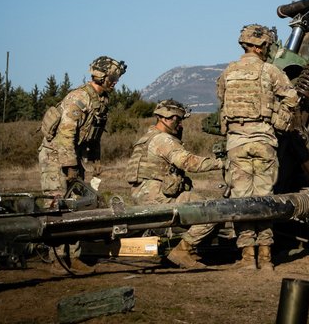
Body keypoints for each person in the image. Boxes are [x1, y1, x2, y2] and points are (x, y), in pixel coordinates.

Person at [217, 24, 299, 271]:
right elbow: (292, 99)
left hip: (236, 143)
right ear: (261, 46)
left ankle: (246, 258)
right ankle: (266, 257)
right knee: (264, 200)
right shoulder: (270, 71)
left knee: (241, 201)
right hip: (263, 141)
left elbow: (221, 99)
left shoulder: (228, 72)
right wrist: (277, 118)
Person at [38, 55, 126, 273]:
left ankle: (75, 256)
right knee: (57, 207)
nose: (116, 82)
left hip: (75, 157)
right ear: (102, 77)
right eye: (113, 77)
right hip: (56, 157)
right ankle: (57, 259)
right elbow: (65, 136)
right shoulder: (79, 98)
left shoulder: (101, 100)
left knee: (77, 206)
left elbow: (93, 136)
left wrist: (94, 162)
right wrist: (70, 167)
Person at [126, 99, 225, 269]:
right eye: (178, 120)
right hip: (157, 200)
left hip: (147, 196)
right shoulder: (163, 140)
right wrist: (221, 163)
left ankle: (191, 251)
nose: (179, 125)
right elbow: (188, 162)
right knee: (212, 210)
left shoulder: (147, 137)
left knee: (195, 199)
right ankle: (183, 250)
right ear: (167, 118)